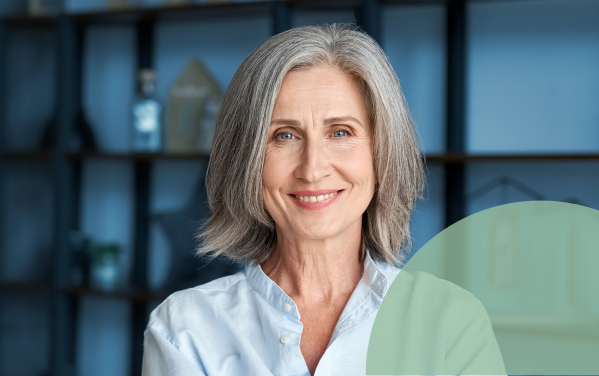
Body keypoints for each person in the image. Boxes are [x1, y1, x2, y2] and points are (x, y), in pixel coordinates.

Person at [142, 24, 506, 376]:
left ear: (381, 155)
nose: (312, 169)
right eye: (284, 135)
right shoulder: (184, 328)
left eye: (340, 132)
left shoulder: (451, 322)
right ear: (248, 161)